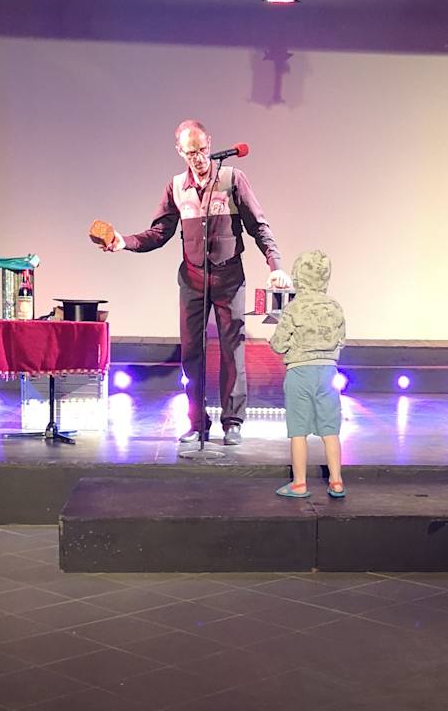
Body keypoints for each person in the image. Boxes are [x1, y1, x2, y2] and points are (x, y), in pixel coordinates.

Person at [103, 120, 290, 445]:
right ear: (180, 151)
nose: (199, 158)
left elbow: (258, 226)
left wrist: (275, 265)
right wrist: (125, 242)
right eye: (191, 153)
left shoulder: (232, 179)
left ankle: (232, 422)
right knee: (192, 353)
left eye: (202, 150)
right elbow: (159, 233)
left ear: (210, 144)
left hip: (229, 278)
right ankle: (197, 423)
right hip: (192, 280)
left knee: (232, 350)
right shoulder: (176, 186)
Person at [269, 250, 346, 498]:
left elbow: (278, 344)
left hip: (299, 373)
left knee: (298, 430)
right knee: (330, 430)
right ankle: (336, 481)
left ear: (298, 275)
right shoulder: (335, 307)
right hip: (328, 372)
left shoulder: (294, 308)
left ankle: (299, 484)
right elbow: (341, 340)